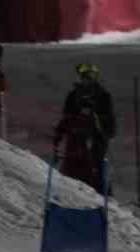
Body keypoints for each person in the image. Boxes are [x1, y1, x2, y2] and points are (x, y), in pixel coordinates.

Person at [52, 61, 114, 192]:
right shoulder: (73, 96)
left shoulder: (103, 96)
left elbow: (109, 121)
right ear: (81, 77)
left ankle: (102, 195)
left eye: (91, 76)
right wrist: (60, 136)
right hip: (75, 139)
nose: (88, 79)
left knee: (95, 168)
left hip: (96, 139)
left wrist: (97, 122)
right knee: (72, 170)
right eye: (86, 76)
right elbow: (66, 119)